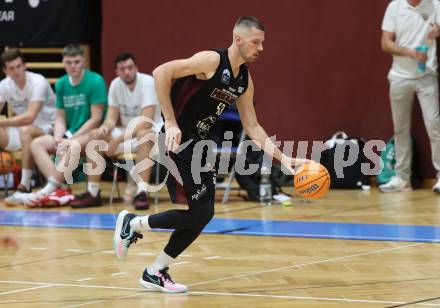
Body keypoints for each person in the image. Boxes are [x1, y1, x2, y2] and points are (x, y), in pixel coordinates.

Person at [113, 16, 311, 293]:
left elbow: (252, 125)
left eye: (263, 43)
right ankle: (133, 225)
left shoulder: (243, 80)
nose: (261, 48)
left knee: (202, 214)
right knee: (202, 211)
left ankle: (153, 268)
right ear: (238, 39)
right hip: (176, 140)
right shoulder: (211, 61)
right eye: (256, 42)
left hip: (199, 145)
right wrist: (169, 121)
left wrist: (285, 159)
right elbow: (161, 72)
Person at [60, 52, 163, 209]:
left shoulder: (148, 83)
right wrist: (105, 128)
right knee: (95, 136)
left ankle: (141, 192)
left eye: (130, 67)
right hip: (127, 134)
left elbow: (145, 122)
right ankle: (93, 193)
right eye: (122, 69)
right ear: (117, 71)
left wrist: (116, 140)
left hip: (153, 134)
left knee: (144, 135)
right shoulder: (115, 84)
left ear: (136, 68)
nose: (127, 72)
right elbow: (111, 117)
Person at [19, 44, 107, 207]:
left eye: (76, 62)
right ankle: (61, 190)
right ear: (63, 62)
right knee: (37, 143)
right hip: (69, 134)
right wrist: (59, 137)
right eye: (69, 62)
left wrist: (71, 137)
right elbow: (60, 117)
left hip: (92, 134)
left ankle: (46, 191)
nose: (73, 66)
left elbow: (95, 119)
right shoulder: (61, 83)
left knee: (72, 144)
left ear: (83, 61)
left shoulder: (95, 80)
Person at [380, 0, 440, 193]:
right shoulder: (395, 7)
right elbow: (385, 42)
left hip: (427, 75)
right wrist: (409, 52)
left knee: (434, 125)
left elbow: (438, 29)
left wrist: (438, 32)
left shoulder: (436, 5)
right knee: (401, 128)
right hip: (399, 76)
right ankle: (402, 179)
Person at [0, 49, 56, 205]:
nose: (16, 71)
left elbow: (30, 116)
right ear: (5, 71)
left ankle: (24, 185)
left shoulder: (38, 81)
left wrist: (3, 121)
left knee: (26, 130)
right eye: (11, 68)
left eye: (19, 66)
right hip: (24, 129)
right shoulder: (4, 85)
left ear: (24, 66)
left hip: (48, 127)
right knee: (24, 131)